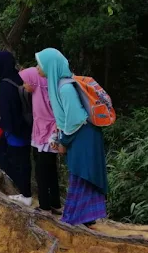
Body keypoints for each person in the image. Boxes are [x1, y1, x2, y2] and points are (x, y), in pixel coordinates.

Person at [36, 48, 108, 226]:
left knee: (81, 174)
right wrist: (58, 137)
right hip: (80, 136)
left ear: (51, 66)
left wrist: (63, 141)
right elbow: (65, 119)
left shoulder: (65, 88)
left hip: (84, 137)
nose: (37, 68)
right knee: (80, 175)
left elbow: (76, 119)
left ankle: (75, 219)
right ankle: (84, 218)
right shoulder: (61, 85)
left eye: (40, 64)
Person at [0, 50, 33, 206]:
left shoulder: (6, 84)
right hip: (27, 126)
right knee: (8, 157)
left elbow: (7, 111)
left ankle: (26, 195)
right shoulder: (19, 77)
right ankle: (22, 190)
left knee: (17, 161)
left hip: (15, 129)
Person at [19, 67, 62, 215]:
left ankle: (44, 207)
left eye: (26, 82)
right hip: (41, 133)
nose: (24, 85)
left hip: (48, 134)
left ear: (34, 81)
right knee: (50, 169)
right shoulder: (44, 90)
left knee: (41, 171)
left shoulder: (42, 91)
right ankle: (55, 203)